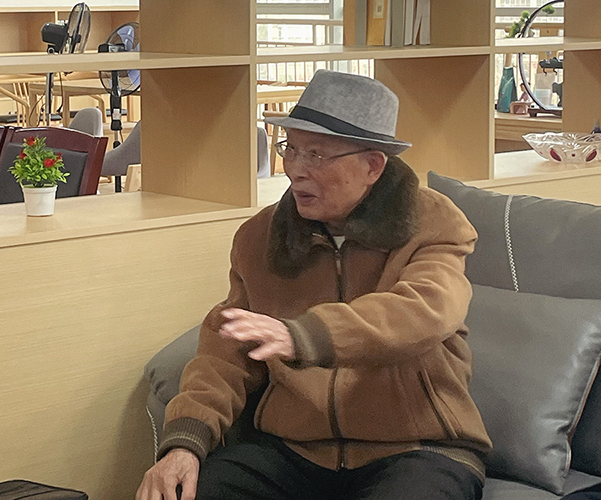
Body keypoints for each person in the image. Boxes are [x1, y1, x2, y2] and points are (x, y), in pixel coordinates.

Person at [136, 69, 492, 500]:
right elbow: (224, 355)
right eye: (291, 149)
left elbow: (426, 311)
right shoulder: (259, 237)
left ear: (372, 166)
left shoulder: (433, 222)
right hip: (294, 450)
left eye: (317, 155)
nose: (295, 171)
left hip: (417, 448)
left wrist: (304, 335)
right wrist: (185, 444)